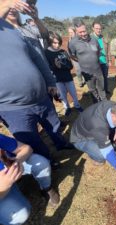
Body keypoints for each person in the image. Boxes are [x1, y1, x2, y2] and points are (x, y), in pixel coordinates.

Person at [0, 1, 71, 164]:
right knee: (32, 139)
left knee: (53, 125)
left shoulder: (15, 31)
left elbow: (37, 58)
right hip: (13, 106)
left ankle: (61, 143)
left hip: (41, 95)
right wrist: (6, 4)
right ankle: (47, 163)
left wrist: (50, 81)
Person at [0, 134, 60, 225]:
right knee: (20, 215)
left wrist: (17, 161)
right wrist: (3, 188)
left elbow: (26, 148)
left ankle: (46, 188)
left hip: (8, 173)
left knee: (40, 163)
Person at [70, 102, 116, 171]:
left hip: (93, 129)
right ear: (113, 116)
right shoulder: (99, 127)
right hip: (80, 138)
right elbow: (108, 153)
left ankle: (108, 143)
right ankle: (97, 158)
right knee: (102, 154)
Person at [45, 32, 83, 116]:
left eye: (59, 43)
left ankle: (77, 105)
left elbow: (70, 65)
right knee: (62, 95)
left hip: (68, 77)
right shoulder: (47, 53)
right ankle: (67, 107)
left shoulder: (63, 51)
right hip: (57, 78)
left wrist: (65, 65)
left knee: (73, 92)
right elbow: (48, 67)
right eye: (55, 43)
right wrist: (55, 66)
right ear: (50, 42)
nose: (57, 45)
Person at [69, 19, 106, 103]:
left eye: (84, 31)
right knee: (92, 90)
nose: (83, 34)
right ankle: (96, 105)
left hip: (98, 70)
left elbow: (98, 52)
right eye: (80, 32)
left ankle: (104, 104)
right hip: (87, 73)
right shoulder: (73, 43)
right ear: (76, 31)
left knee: (101, 88)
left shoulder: (94, 39)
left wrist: (93, 60)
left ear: (87, 29)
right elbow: (72, 55)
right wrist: (83, 61)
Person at [91, 21, 111, 94]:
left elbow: (108, 49)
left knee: (105, 77)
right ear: (93, 28)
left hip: (104, 62)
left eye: (100, 28)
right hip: (96, 63)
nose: (98, 30)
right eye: (96, 28)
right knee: (98, 79)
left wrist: (109, 60)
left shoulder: (103, 37)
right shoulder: (90, 39)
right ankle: (99, 92)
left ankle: (105, 89)